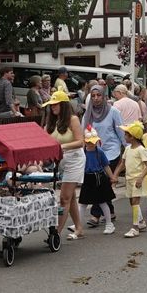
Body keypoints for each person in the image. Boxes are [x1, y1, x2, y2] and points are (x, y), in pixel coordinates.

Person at [43, 90, 86, 239]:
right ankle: (79, 228)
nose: (52, 107)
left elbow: (81, 142)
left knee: (64, 198)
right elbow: (44, 139)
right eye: (51, 105)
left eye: (55, 105)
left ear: (63, 105)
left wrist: (61, 147)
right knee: (70, 196)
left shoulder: (73, 119)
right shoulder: (51, 121)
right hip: (60, 161)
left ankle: (56, 233)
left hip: (74, 159)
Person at [79, 128, 117, 234]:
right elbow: (80, 166)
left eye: (94, 142)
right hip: (87, 178)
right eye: (89, 142)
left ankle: (109, 224)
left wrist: (112, 177)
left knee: (102, 202)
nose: (91, 144)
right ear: (85, 142)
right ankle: (78, 225)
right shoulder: (83, 152)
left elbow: (106, 166)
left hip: (99, 178)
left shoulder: (99, 152)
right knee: (83, 203)